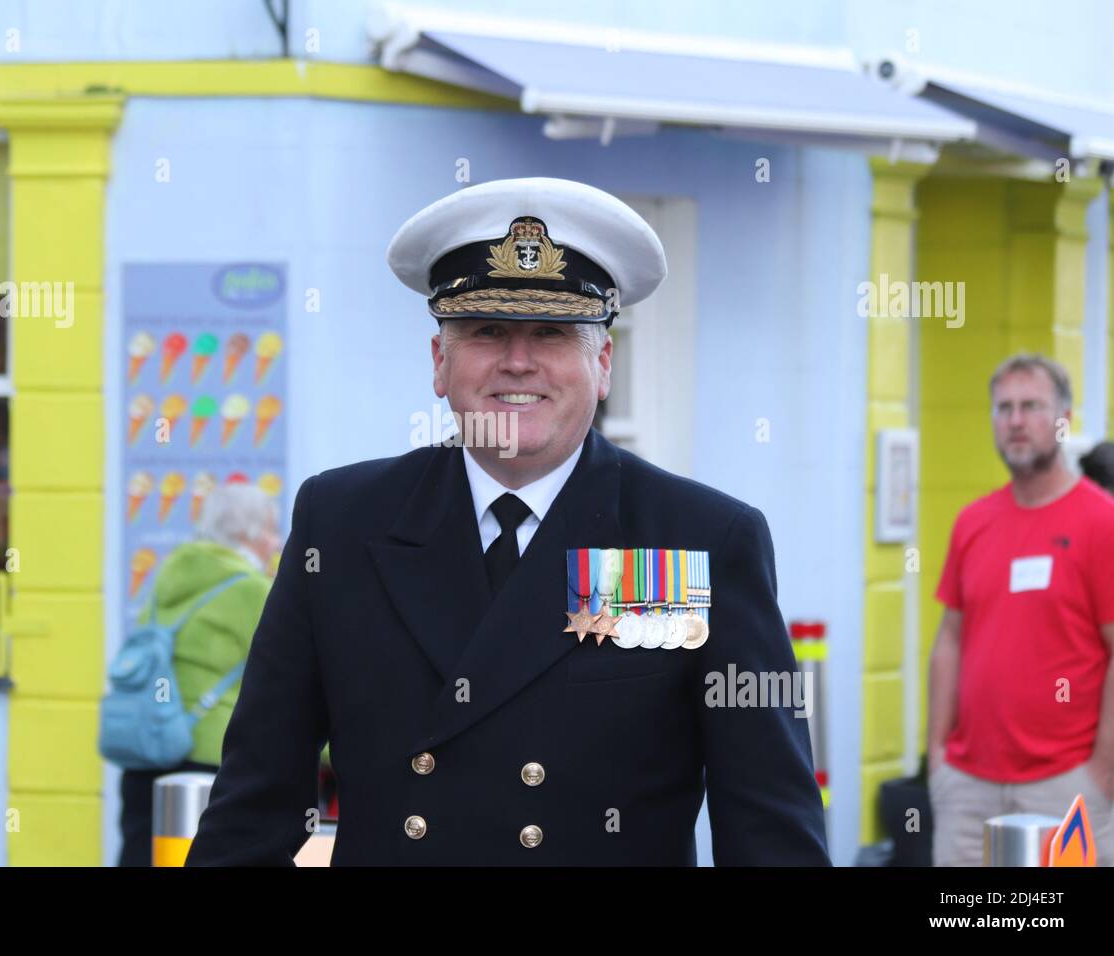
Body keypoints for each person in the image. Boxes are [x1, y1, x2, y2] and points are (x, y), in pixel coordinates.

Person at [187, 177, 829, 866]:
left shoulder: (700, 540)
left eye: (552, 333)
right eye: (486, 331)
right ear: (440, 362)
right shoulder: (342, 525)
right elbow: (255, 805)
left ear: (604, 362)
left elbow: (770, 829)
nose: (518, 362)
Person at [928, 355, 1114, 866]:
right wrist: (937, 757)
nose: (1014, 419)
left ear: (1064, 419)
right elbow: (949, 639)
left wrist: (1103, 769)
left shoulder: (1101, 522)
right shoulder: (973, 522)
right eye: (1003, 407)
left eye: (1031, 406)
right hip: (967, 787)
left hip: (1066, 786)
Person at [117, 483, 278, 866]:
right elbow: (283, 686)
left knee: (142, 855)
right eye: (272, 529)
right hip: (211, 759)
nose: (276, 542)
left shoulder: (170, 575)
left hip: (147, 749)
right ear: (251, 534)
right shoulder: (252, 590)